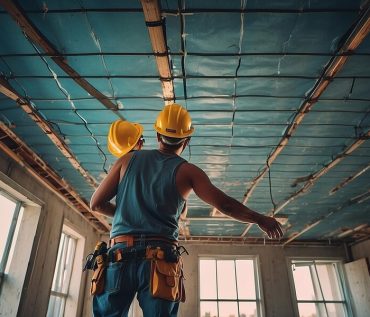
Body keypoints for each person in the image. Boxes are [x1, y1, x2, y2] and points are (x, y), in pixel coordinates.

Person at [90, 103, 283, 317]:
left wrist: (128, 213)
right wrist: (259, 219)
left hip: (119, 254)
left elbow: (96, 204)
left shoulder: (127, 159)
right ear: (187, 140)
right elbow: (225, 205)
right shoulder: (189, 172)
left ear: (157, 135)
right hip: (160, 260)